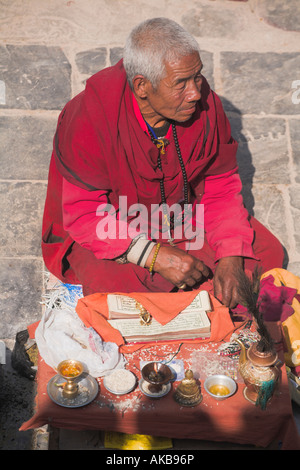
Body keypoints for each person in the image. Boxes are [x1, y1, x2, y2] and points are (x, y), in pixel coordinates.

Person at [41, 17, 284, 309]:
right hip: (117, 227)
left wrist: (229, 255)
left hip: (183, 217)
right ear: (142, 86)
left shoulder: (206, 105)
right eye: (180, 83)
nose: (196, 92)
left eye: (197, 76)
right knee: (108, 284)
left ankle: (185, 296)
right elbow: (85, 215)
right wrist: (154, 256)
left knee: (265, 251)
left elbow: (220, 187)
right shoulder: (89, 116)